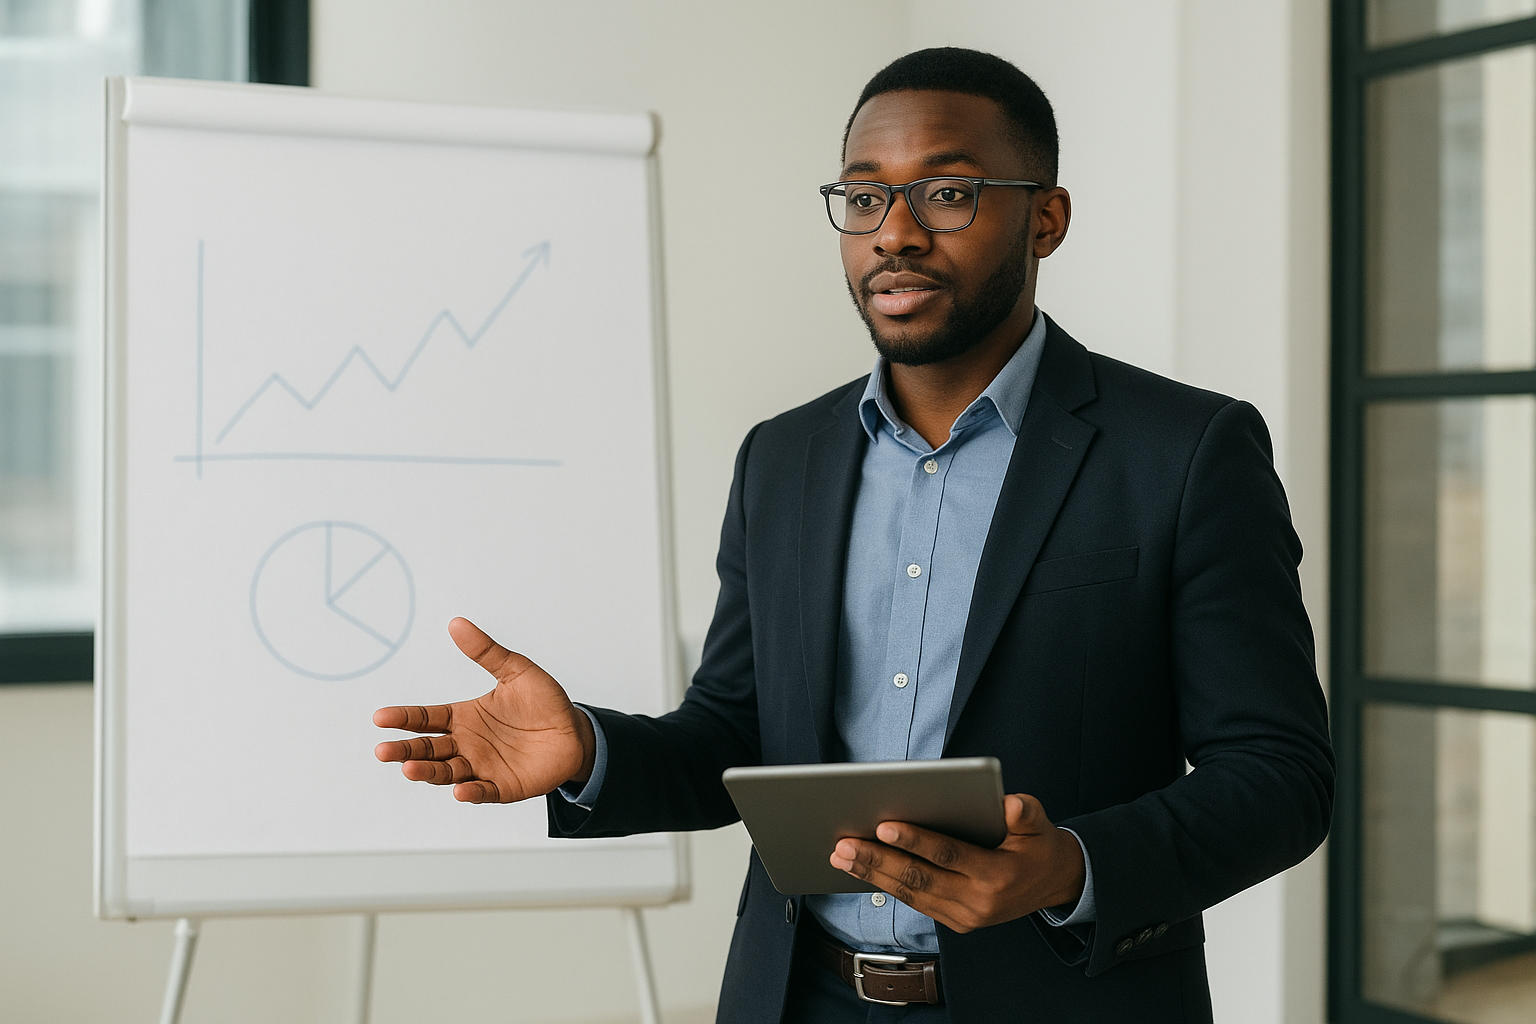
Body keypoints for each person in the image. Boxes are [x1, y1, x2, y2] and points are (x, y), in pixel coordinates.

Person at [372, 47, 1334, 1023]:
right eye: (865, 200)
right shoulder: (782, 458)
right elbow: (740, 733)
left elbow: (1279, 774)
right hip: (801, 996)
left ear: (1046, 217)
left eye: (949, 192)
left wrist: (1067, 867)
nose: (896, 234)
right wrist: (589, 750)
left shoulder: (1183, 449)